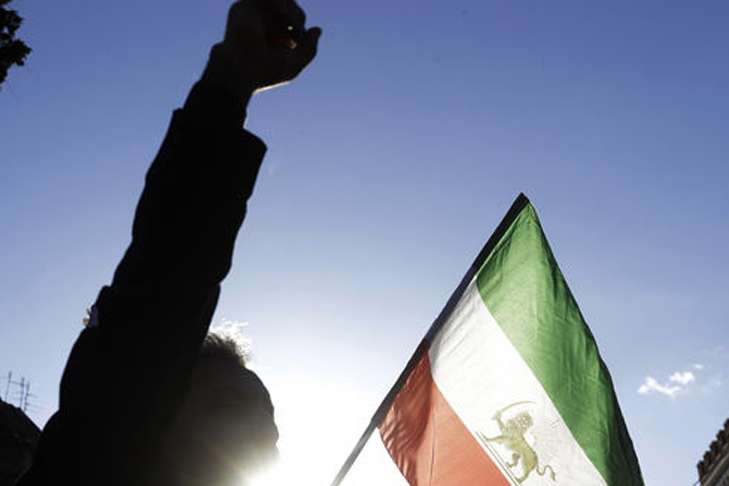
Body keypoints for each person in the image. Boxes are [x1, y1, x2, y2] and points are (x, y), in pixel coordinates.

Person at [18, 1, 321, 484]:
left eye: (269, 420)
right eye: (227, 406)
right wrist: (231, 82)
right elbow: (172, 271)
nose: (263, 433)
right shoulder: (100, 460)